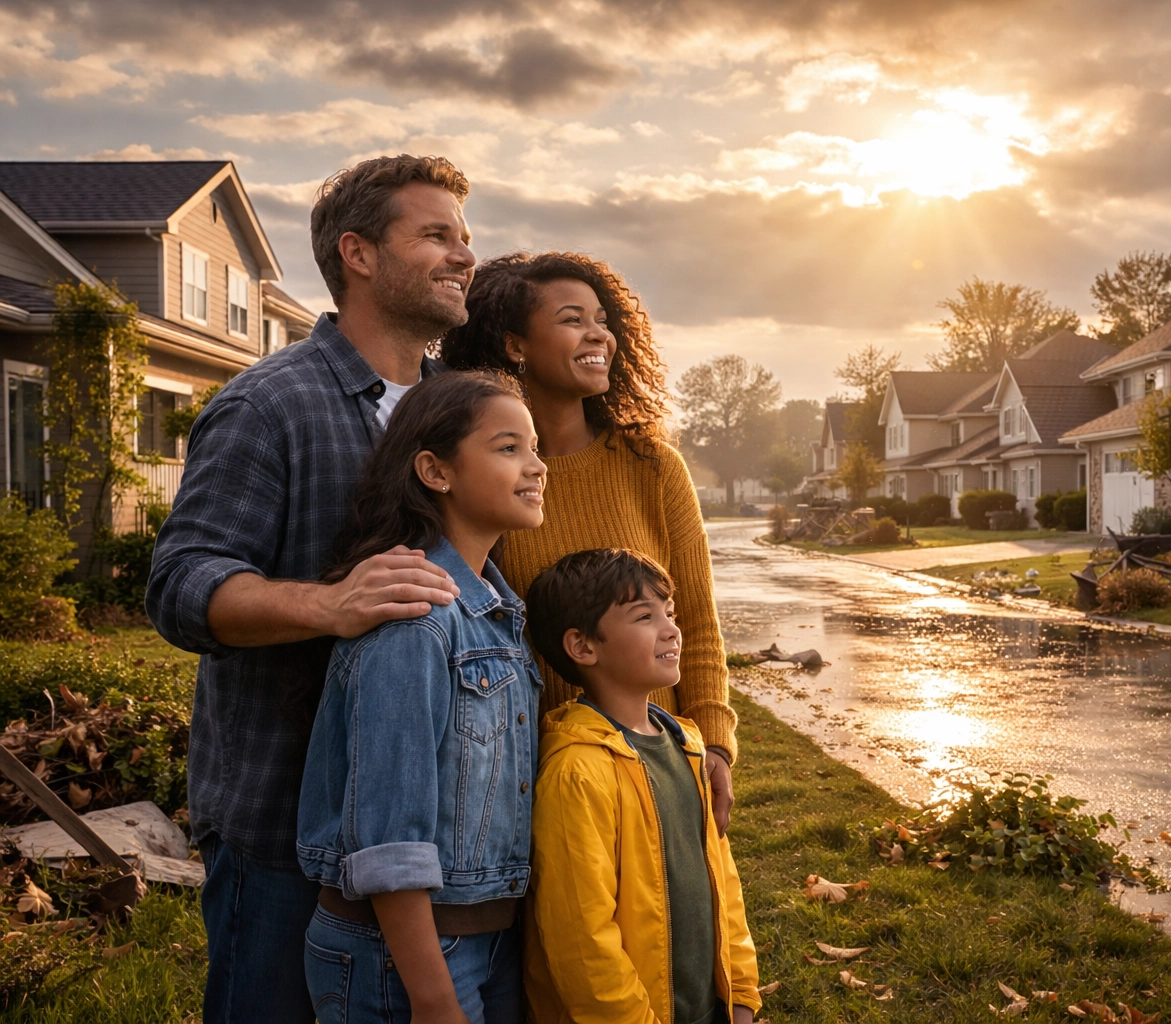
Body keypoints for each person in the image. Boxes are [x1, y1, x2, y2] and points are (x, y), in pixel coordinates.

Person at [145, 154, 474, 1024]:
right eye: (436, 235)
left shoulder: (461, 411)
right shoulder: (269, 405)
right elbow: (182, 584)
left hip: (432, 828)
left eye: (464, 236)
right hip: (284, 829)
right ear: (358, 254)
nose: (463, 255)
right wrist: (329, 605)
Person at [440, 253, 739, 836]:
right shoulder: (485, 477)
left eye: (602, 319)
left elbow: (699, 623)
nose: (599, 333)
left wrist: (714, 744)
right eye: (573, 319)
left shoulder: (652, 466)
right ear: (515, 344)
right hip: (530, 775)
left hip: (657, 765)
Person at [298, 371, 545, 1024]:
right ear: (436, 471)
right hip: (405, 957)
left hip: (487, 939)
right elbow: (389, 837)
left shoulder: (494, 612)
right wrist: (433, 998)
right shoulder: (417, 620)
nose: (537, 466)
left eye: (535, 447)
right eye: (509, 448)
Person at [521, 548, 760, 1024]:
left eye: (669, 613)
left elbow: (724, 886)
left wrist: (740, 995)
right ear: (583, 647)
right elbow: (582, 939)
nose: (671, 629)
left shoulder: (687, 745)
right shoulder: (577, 772)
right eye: (645, 616)